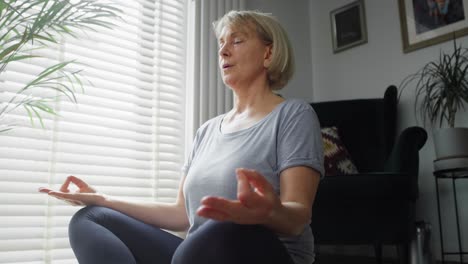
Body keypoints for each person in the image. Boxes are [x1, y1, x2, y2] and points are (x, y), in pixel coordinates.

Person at [39, 10, 324, 264]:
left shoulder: (292, 114)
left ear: (268, 54)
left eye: (236, 41)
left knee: (221, 228)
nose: (223, 51)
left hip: (265, 252)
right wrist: (103, 199)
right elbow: (181, 215)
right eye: (221, 43)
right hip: (197, 253)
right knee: (90, 218)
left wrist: (268, 213)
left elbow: (298, 216)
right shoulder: (207, 131)